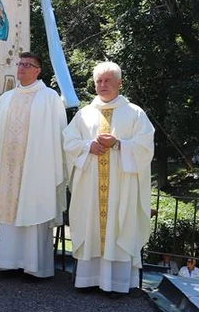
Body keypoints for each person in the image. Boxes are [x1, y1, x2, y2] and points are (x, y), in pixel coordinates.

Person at [63, 61, 154, 295]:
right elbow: (68, 142)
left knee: (119, 224)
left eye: (107, 81)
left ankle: (117, 283)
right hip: (90, 187)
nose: (102, 85)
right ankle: (88, 279)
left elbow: (145, 147)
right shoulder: (84, 114)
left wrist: (119, 144)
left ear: (119, 83)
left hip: (121, 187)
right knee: (90, 224)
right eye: (99, 81)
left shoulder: (134, 113)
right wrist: (87, 147)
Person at [0, 52, 67, 280]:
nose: (22, 68)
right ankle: (9, 263)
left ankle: (33, 267)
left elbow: (58, 136)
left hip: (37, 168)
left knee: (34, 210)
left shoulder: (50, 98)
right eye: (20, 64)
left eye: (28, 65)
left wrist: (52, 166)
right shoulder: (6, 99)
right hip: (8, 169)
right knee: (9, 214)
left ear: (38, 70)